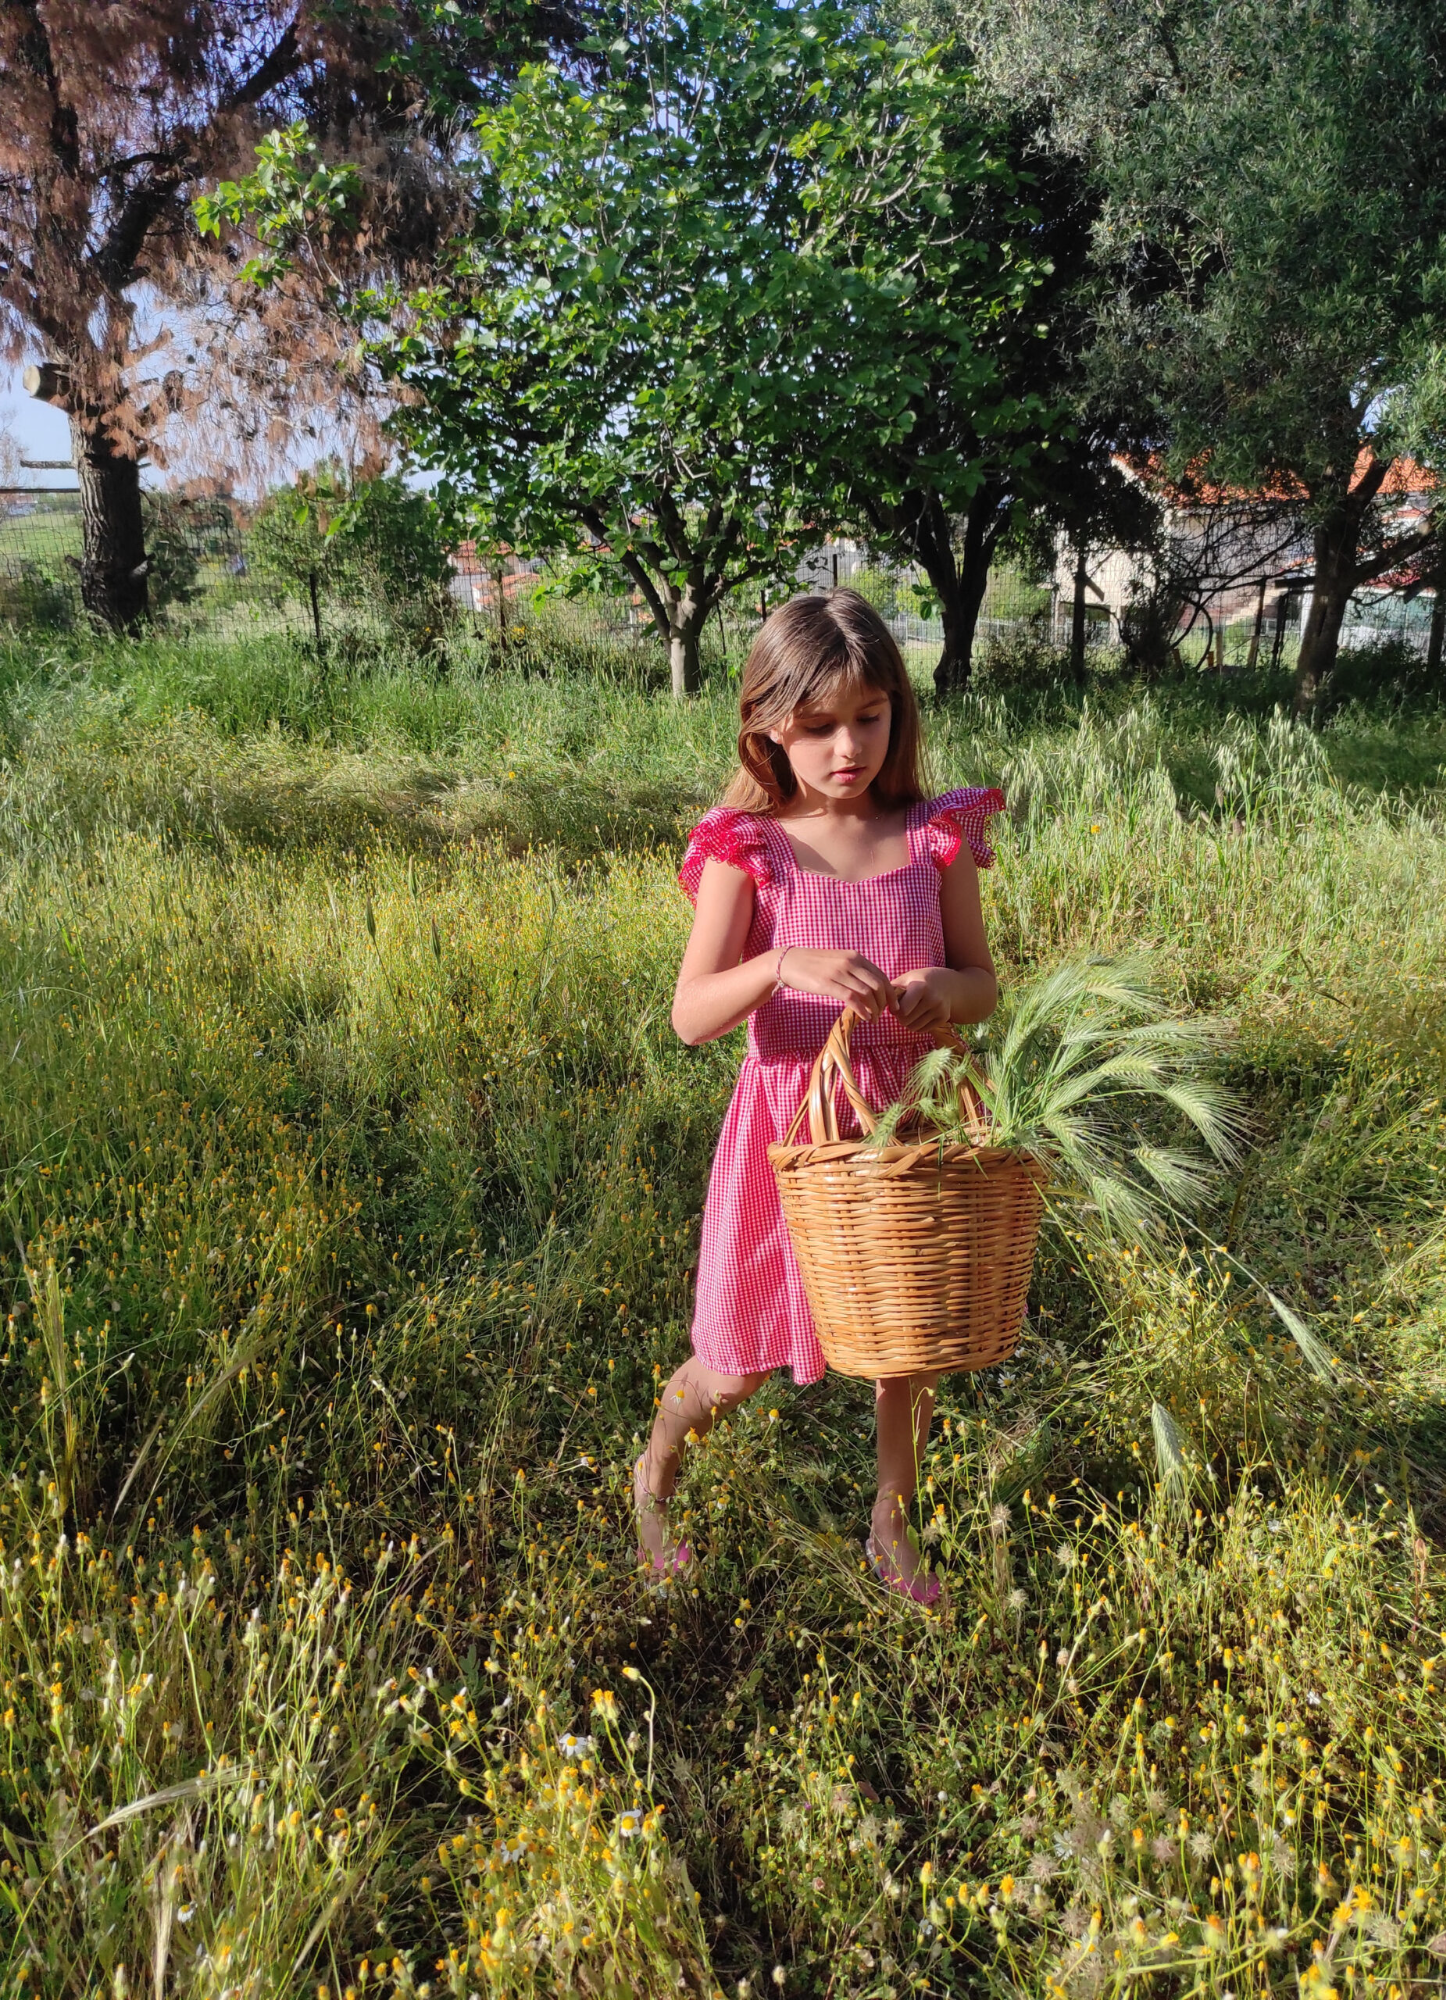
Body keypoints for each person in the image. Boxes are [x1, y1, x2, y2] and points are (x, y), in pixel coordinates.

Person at [634, 588, 1003, 1606]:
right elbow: (691, 1011)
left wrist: (944, 995)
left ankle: (893, 1524)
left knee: (904, 1344)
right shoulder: (749, 848)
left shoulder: (935, 836)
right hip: (787, 1139)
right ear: (768, 727)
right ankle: (656, 1472)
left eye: (871, 717)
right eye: (819, 726)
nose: (850, 747)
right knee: (736, 1358)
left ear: (900, 709)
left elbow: (984, 982)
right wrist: (781, 962)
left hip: (900, 1126)